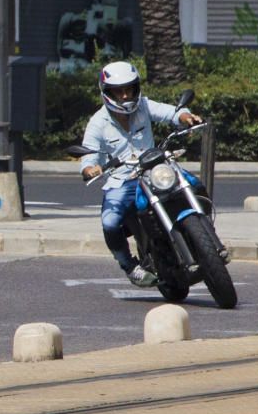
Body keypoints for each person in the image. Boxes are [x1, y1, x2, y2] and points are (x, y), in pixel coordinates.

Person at [79, 61, 202, 287]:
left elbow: (170, 113)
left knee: (195, 185)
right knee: (109, 222)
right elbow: (88, 156)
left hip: (154, 170)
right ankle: (129, 265)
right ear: (107, 93)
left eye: (129, 89)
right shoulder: (97, 123)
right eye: (119, 91)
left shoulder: (144, 105)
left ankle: (204, 234)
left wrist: (185, 117)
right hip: (123, 181)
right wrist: (91, 168)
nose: (125, 96)